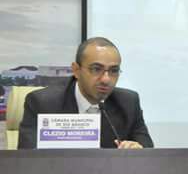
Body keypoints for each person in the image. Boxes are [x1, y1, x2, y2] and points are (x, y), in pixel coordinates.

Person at [18, 37, 153, 149]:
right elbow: (28, 160)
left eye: (113, 71)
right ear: (76, 70)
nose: (106, 79)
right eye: (96, 69)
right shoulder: (42, 103)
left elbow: (148, 151)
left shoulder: (128, 102)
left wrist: (137, 150)